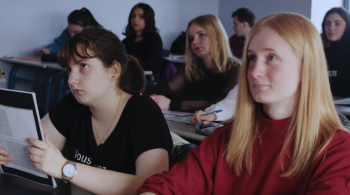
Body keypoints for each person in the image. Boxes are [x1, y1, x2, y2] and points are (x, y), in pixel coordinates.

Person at [138, 13, 350, 194]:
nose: (253, 72)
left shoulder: (338, 150)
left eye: (272, 57)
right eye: (252, 58)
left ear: (306, 68)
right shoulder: (226, 137)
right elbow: (169, 186)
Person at [1, 28, 173, 194]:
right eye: (69, 70)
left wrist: (65, 168)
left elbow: (152, 186)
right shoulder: (72, 104)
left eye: (83, 66)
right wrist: (6, 153)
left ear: (114, 71)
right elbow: (28, 151)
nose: (71, 80)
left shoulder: (145, 114)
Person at [146, 14, 240, 112]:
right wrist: (145, 96)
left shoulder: (234, 70)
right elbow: (166, 90)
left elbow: (223, 102)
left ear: (217, 38)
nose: (194, 42)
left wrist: (171, 103)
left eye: (201, 35)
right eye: (191, 38)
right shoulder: (191, 68)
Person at [122, 3, 163, 74]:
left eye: (141, 17)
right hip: (127, 76)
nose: (135, 19)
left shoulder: (154, 38)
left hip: (146, 79)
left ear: (148, 19)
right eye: (133, 16)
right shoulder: (127, 40)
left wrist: (128, 66)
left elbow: (154, 64)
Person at [322, 7, 350, 97]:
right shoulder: (317, 48)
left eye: (337, 24)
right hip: (321, 103)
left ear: (347, 26)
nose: (331, 28)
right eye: (327, 23)